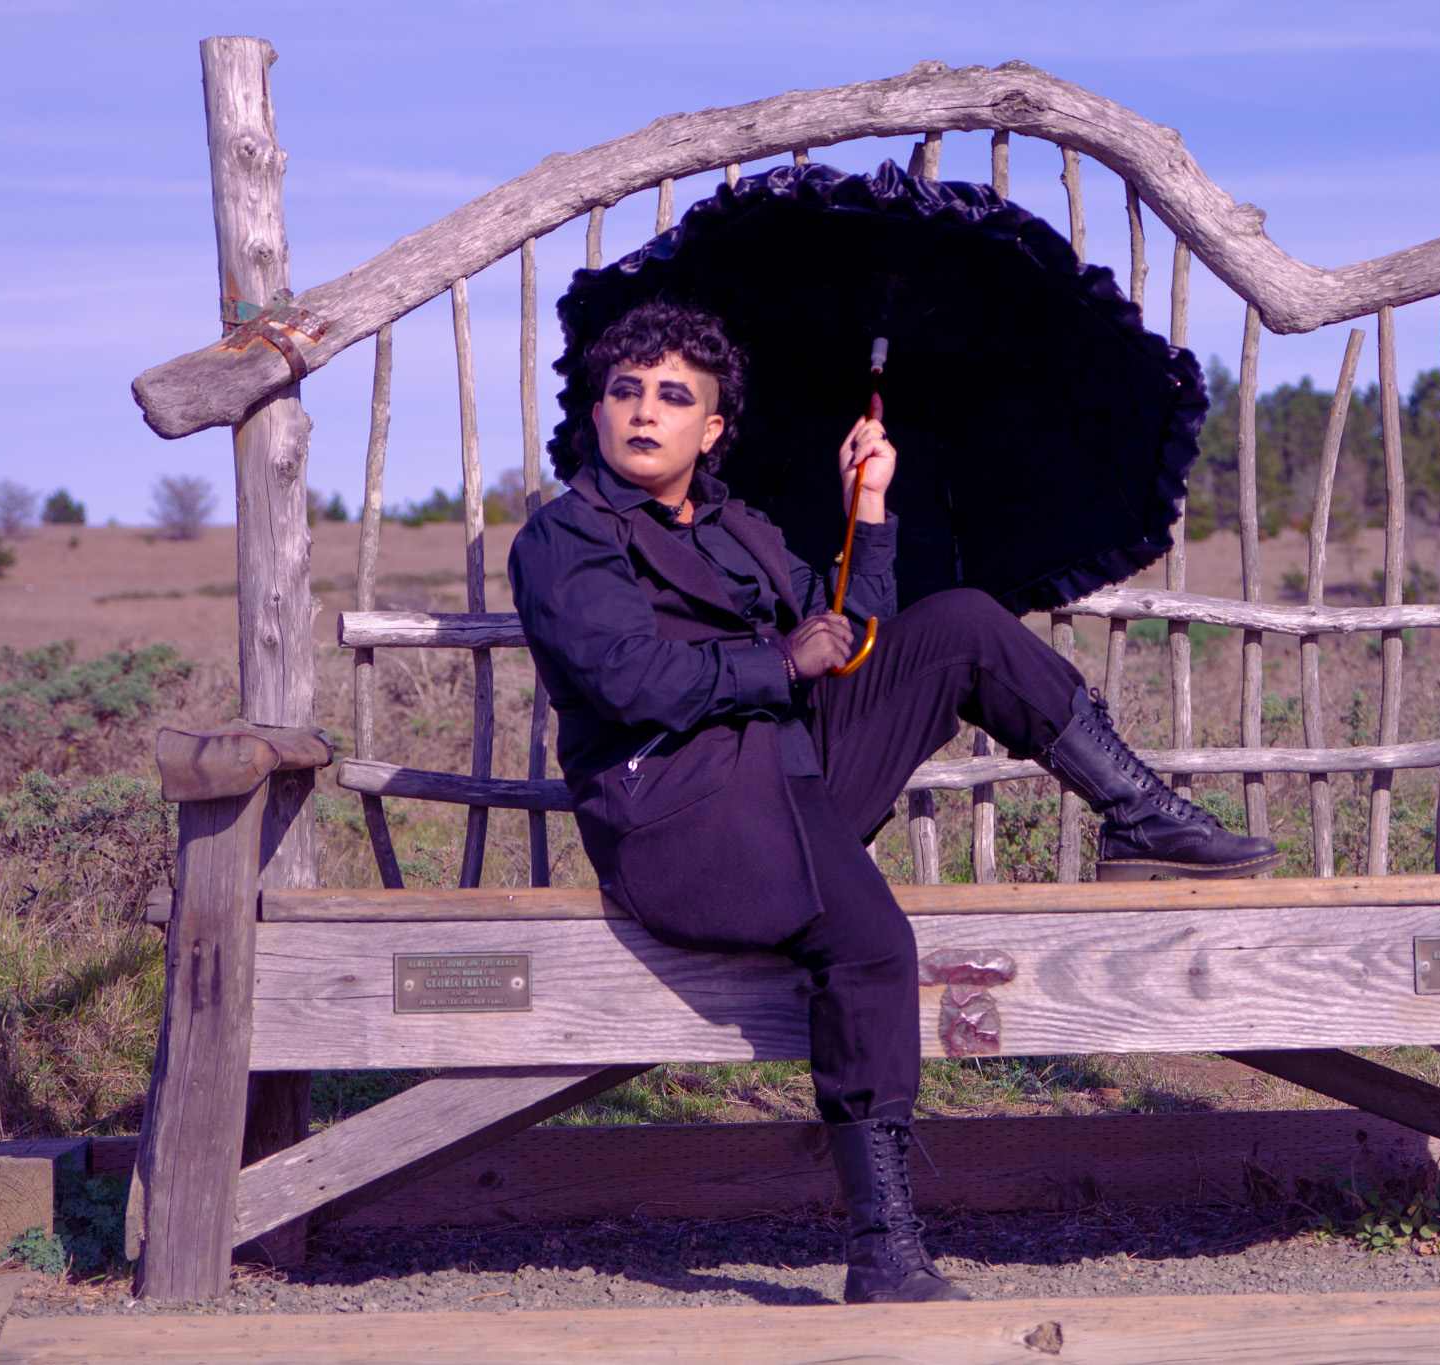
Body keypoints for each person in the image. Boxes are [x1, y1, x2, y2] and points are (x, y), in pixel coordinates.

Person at [508, 299, 1280, 1304]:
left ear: (711, 427)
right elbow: (626, 681)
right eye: (625, 391)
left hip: (786, 774)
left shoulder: (738, 527)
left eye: (673, 396)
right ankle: (883, 1249)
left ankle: (1137, 815)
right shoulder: (567, 537)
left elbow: (853, 639)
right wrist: (775, 662)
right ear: (598, 411)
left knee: (961, 622)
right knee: (872, 944)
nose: (644, 411)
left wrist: (865, 509)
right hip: (680, 814)